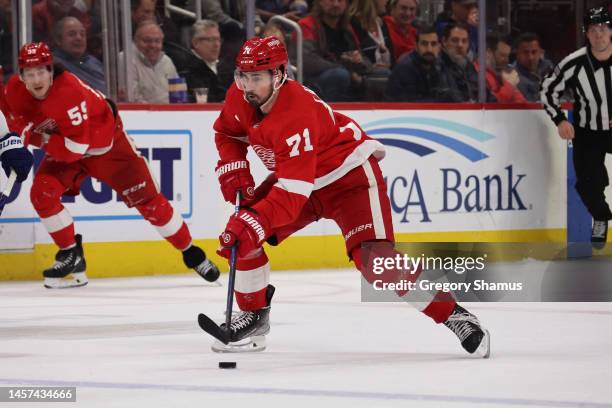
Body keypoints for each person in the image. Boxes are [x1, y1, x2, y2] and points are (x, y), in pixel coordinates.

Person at [211, 36, 490, 357]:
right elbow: (227, 133)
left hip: (349, 177)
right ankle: (254, 317)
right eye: (242, 76)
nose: (247, 85)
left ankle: (454, 314)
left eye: (256, 77)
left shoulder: (295, 112)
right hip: (301, 177)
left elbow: (292, 195)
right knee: (242, 235)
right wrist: (234, 169)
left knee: (376, 262)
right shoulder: (240, 96)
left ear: (279, 75)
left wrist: (256, 221)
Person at [3, 42, 220, 288]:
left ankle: (193, 254)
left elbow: (75, 149)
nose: (36, 79)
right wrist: (15, 138)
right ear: (20, 76)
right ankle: (71, 254)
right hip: (64, 144)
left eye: (41, 71)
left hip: (107, 147)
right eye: (29, 74)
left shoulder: (67, 92)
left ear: (51, 70)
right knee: (42, 193)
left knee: (152, 205)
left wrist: (34, 137)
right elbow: (11, 121)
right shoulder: (13, 90)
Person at [541, 7, 612, 249]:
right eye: (593, 30)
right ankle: (601, 216)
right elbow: (548, 89)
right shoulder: (575, 62)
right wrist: (560, 119)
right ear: (587, 34)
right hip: (588, 130)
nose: (599, 35)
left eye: (603, 29)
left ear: (611, 31)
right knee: (586, 183)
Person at [298, 0, 371, 101]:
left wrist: (360, 61)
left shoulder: (347, 28)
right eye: (331, 0)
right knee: (340, 75)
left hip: (346, 76)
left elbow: (366, 61)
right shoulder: (307, 25)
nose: (336, 4)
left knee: (381, 74)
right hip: (312, 80)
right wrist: (346, 70)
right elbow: (308, 62)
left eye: (340, 0)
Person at [385, 26, 457, 102]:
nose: (429, 49)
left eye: (433, 44)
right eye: (424, 44)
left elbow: (454, 95)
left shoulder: (442, 65)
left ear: (439, 47)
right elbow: (412, 105)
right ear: (416, 46)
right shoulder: (405, 68)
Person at [124, 20, 179, 104]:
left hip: (169, 113)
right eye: (147, 41)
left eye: (157, 41)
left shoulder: (167, 61)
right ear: (135, 41)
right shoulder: (126, 58)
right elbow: (132, 99)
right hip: (142, 114)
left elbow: (178, 95)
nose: (153, 45)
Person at [51, 16, 106, 93]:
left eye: (82, 34)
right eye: (72, 34)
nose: (79, 38)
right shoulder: (53, 65)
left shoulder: (93, 61)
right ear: (58, 40)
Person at [183, 19, 231, 103]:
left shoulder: (226, 67)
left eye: (218, 40)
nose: (216, 45)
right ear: (195, 43)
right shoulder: (186, 68)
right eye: (211, 40)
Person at [513, 32, 554, 102]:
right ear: (517, 54)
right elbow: (529, 105)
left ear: (540, 52)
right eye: (525, 52)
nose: (530, 57)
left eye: (534, 52)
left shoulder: (548, 66)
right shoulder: (513, 77)